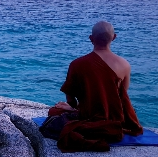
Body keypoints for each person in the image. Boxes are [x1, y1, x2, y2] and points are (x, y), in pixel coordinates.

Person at [51, 21, 143, 152]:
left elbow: (71, 99)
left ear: (91, 38)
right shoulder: (124, 65)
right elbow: (120, 96)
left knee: (54, 112)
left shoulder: (77, 64)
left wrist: (73, 109)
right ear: (114, 37)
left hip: (87, 117)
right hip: (115, 120)